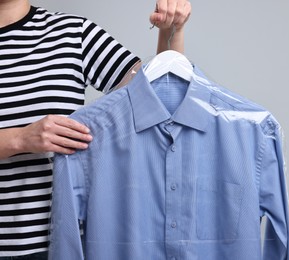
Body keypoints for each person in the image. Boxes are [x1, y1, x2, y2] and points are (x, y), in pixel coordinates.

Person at [0, 0, 191, 258]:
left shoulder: (72, 33)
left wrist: (171, 32)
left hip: (63, 245)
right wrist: (18, 139)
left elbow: (155, 96)